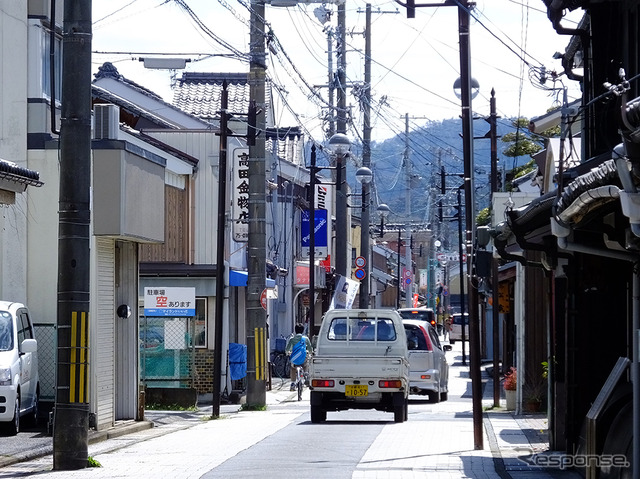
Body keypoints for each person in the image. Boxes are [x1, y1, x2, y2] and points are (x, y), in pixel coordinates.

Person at [285, 323, 313, 391]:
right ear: (303, 330)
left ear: (295, 330)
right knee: (306, 364)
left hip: (294, 360)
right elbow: (310, 349)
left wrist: (287, 353)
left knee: (293, 368)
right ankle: (306, 375)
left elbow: (287, 349)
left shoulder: (292, 339)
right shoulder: (305, 339)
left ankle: (293, 383)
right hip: (303, 359)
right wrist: (310, 353)